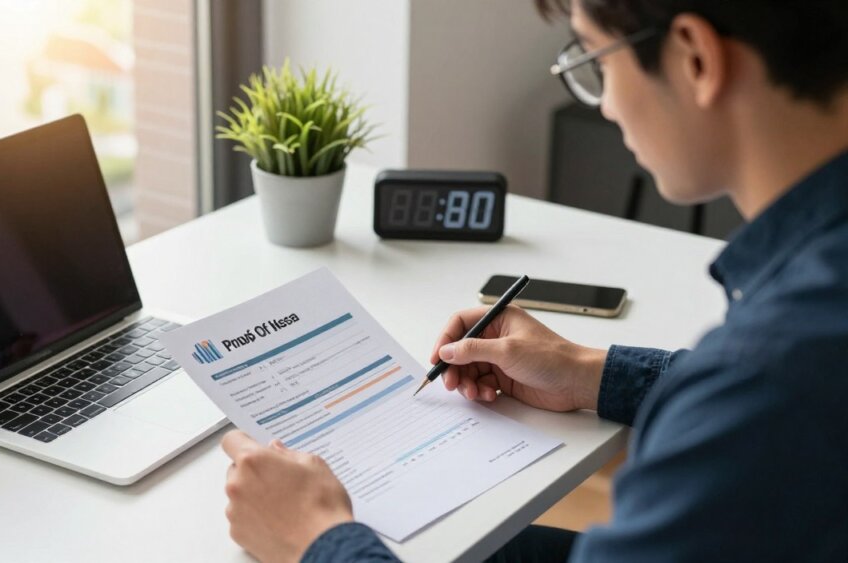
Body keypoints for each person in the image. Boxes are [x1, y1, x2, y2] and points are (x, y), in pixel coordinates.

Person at [219, 0, 848, 561]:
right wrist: (589, 371)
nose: (603, 101)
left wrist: (317, 541)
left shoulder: (764, 383)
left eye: (597, 59)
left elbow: (765, 398)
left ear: (694, 58)